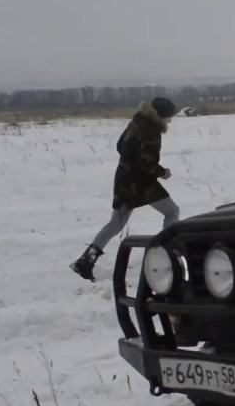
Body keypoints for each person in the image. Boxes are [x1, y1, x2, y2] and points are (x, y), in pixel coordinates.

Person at [70, 97, 181, 281]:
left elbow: (120, 146)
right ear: (161, 115)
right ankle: (166, 253)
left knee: (116, 223)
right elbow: (146, 164)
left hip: (124, 179)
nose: (170, 121)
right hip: (141, 183)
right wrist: (163, 172)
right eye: (169, 116)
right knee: (172, 211)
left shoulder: (137, 122)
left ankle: (85, 261)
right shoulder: (152, 130)